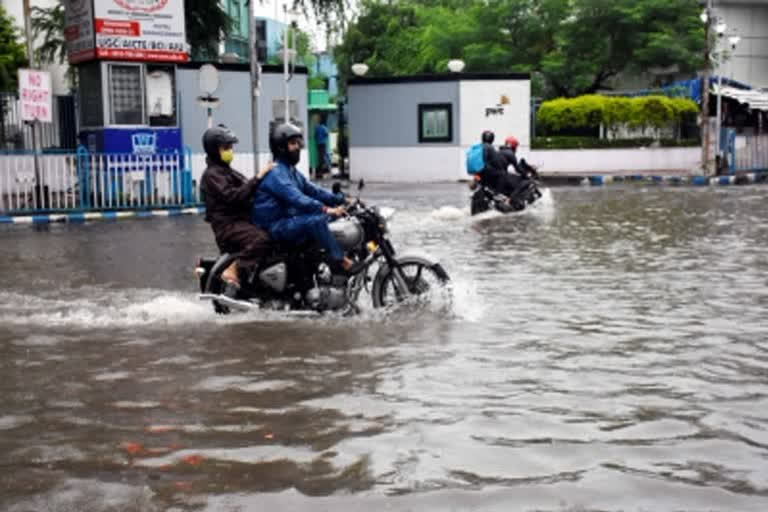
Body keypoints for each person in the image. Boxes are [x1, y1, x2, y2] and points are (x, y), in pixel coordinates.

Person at [251, 123, 364, 275]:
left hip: (289, 219)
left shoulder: (291, 170)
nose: (297, 147)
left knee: (331, 220)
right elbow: (297, 198)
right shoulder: (276, 172)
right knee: (317, 220)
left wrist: (341, 200)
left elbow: (314, 191)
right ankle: (340, 260)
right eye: (292, 143)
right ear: (281, 147)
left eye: (298, 143)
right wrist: (326, 208)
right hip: (275, 225)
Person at [199, 124, 276, 289]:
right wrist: (259, 176)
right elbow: (235, 196)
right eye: (226, 147)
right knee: (262, 239)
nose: (230, 151)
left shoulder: (226, 171)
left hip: (241, 222)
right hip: (229, 227)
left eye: (231, 147)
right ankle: (233, 269)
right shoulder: (212, 175)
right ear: (214, 150)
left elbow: (248, 190)